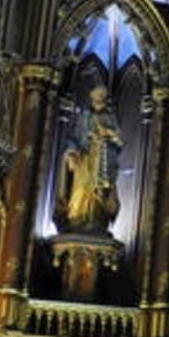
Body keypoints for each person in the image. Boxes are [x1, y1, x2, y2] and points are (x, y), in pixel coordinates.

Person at [57, 85, 124, 234]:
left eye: (103, 95)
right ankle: (77, 219)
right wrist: (71, 153)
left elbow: (120, 141)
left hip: (103, 157)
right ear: (91, 96)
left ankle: (97, 221)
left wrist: (107, 132)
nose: (100, 97)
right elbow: (73, 137)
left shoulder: (110, 116)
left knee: (99, 191)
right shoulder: (83, 115)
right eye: (98, 94)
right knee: (81, 189)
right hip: (84, 158)